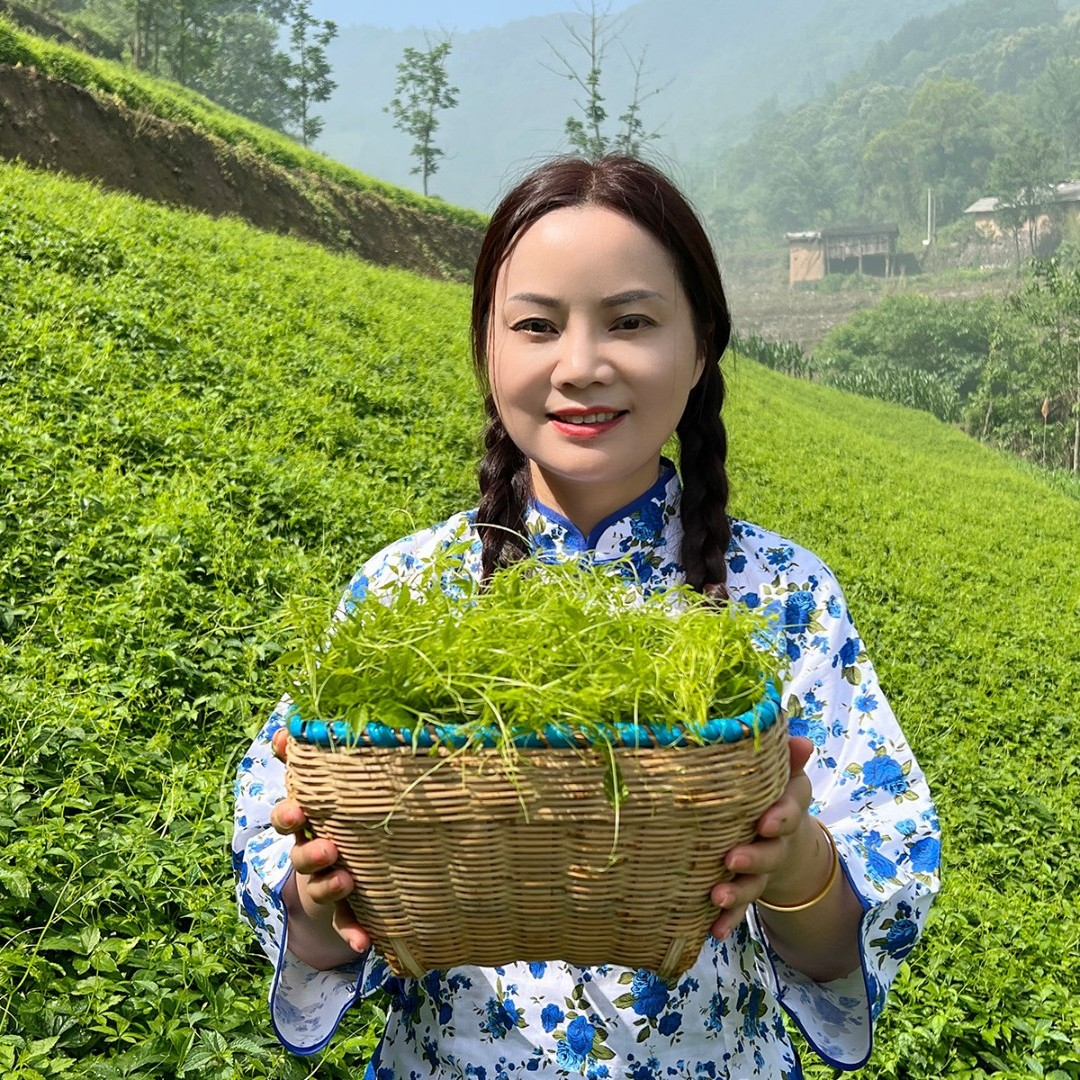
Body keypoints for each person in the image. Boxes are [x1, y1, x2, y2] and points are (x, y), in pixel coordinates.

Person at [233, 156, 940, 1079]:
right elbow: (312, 917)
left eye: (631, 322)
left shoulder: (784, 599)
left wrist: (796, 859)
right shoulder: (404, 592)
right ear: (488, 347)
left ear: (701, 346)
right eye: (535, 325)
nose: (580, 366)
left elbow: (843, 946)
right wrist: (322, 898)